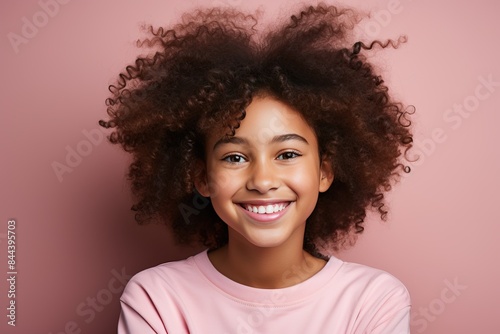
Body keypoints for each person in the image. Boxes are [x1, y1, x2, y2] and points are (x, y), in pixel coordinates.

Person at [100, 3, 414, 333]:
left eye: (288, 154)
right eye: (235, 157)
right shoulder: (157, 300)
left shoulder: (373, 300)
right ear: (202, 177)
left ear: (324, 171)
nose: (263, 181)